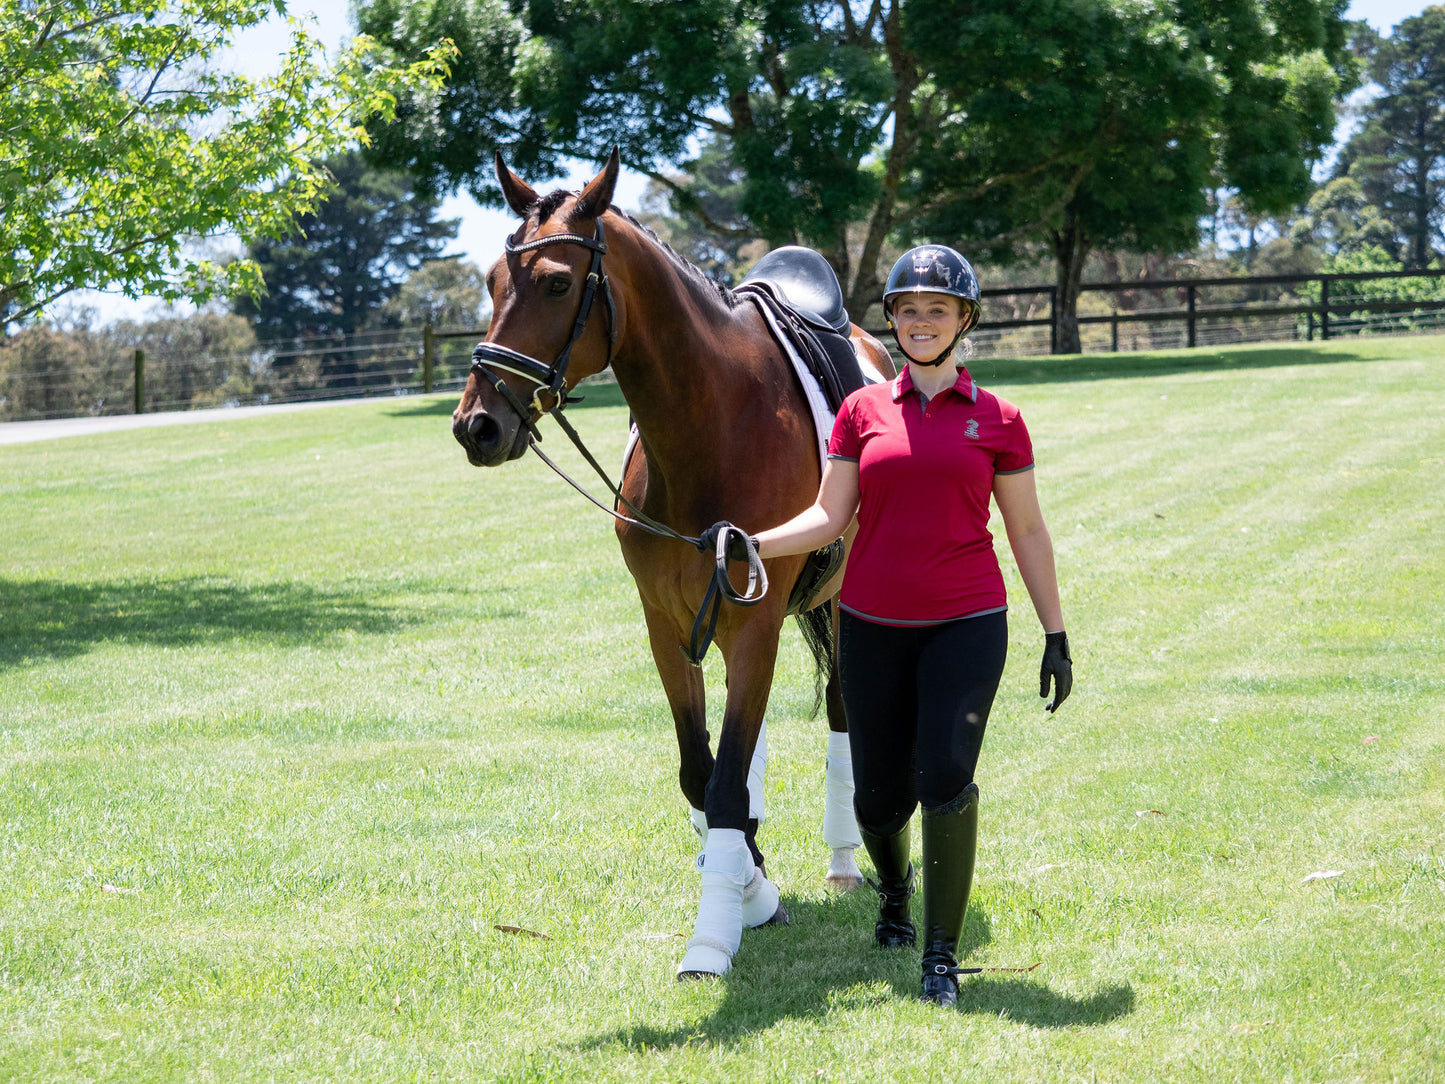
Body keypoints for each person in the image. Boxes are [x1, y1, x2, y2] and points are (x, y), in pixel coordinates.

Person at [706, 244, 1073, 1006]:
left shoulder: (999, 420)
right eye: (907, 310)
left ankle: (938, 956)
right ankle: (895, 895)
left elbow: (1029, 532)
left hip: (967, 621)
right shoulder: (860, 411)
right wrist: (753, 543)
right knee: (877, 800)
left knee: (943, 777)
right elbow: (827, 516)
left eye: (936, 309)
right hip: (870, 625)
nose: (919, 321)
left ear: (963, 319)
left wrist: (1055, 632)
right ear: (893, 322)